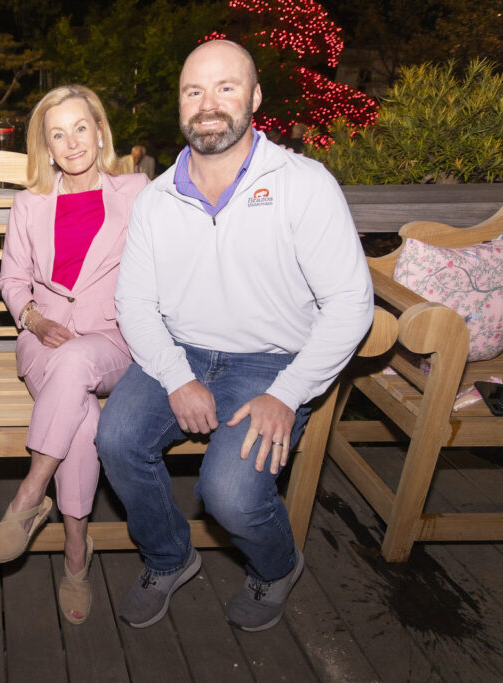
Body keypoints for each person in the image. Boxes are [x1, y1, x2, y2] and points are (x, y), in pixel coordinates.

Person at [95, 39, 373, 633]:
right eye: (194, 91)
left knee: (228, 492)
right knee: (116, 439)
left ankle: (277, 566)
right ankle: (170, 557)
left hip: (273, 364)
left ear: (255, 98)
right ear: (180, 105)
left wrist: (288, 392)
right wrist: (177, 377)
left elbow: (351, 302)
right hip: (181, 349)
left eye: (226, 87)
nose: (209, 103)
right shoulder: (156, 199)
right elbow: (135, 304)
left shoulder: (303, 184)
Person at [0, 85, 148, 625]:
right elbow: (10, 281)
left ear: (100, 133)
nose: (71, 141)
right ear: (46, 148)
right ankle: (78, 552)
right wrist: (33, 318)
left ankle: (27, 499)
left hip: (112, 342)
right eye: (58, 133)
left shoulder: (138, 192)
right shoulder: (30, 204)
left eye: (81, 127)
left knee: (78, 365)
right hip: (42, 342)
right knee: (82, 418)